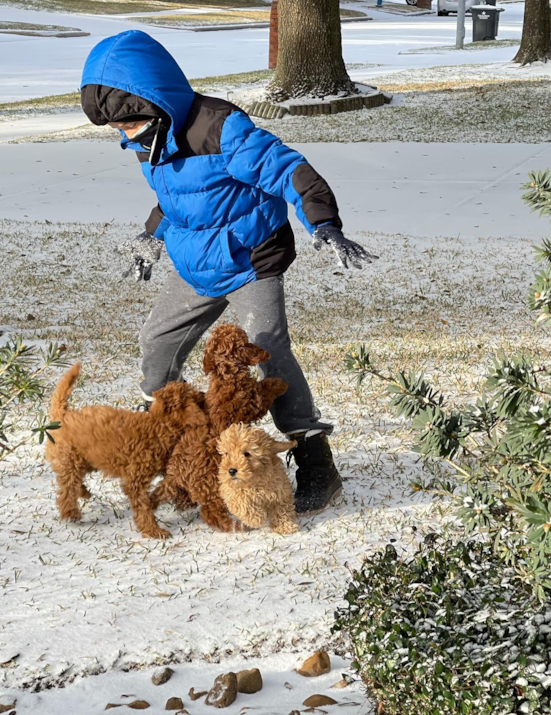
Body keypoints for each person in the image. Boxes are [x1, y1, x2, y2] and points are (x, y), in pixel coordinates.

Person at [80, 30, 376, 512]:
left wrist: (325, 224)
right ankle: (178, 437)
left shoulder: (223, 129)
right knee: (156, 344)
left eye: (131, 122)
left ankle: (316, 460)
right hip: (196, 261)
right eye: (118, 127)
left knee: (268, 352)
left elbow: (290, 172)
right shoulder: (148, 137)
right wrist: (151, 236)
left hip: (251, 259)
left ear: (158, 101)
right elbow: (176, 198)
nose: (126, 134)